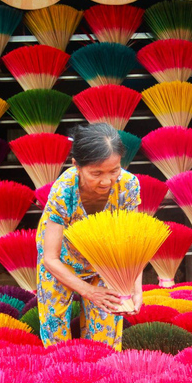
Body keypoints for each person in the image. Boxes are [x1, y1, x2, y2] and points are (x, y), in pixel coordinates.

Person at [36, 123, 142, 350]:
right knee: (55, 330)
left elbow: (133, 244)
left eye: (114, 170)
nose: (107, 181)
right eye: (96, 173)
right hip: (61, 260)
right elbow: (50, 259)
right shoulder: (64, 190)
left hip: (105, 260)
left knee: (105, 336)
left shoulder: (128, 186)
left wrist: (136, 288)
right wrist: (89, 292)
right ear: (76, 165)